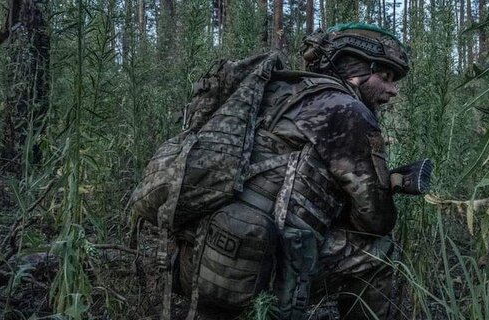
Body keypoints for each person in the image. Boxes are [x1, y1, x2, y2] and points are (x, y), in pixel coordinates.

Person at [177, 23, 429, 320]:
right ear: (356, 70)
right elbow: (375, 219)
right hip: (260, 267)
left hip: (195, 256)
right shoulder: (346, 109)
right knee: (380, 251)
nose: (393, 89)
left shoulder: (280, 91)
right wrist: (387, 187)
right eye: (385, 76)